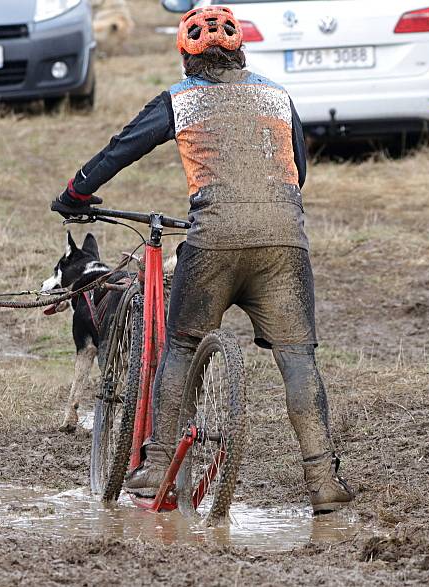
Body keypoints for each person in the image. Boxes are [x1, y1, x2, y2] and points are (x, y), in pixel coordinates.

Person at [52, 7, 353, 514]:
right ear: (240, 51)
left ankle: (156, 464)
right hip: (284, 244)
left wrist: (75, 193)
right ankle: (323, 479)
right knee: (299, 361)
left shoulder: (180, 98)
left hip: (212, 242)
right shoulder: (278, 97)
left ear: (187, 57)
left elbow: (121, 149)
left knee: (181, 346)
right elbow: (297, 171)